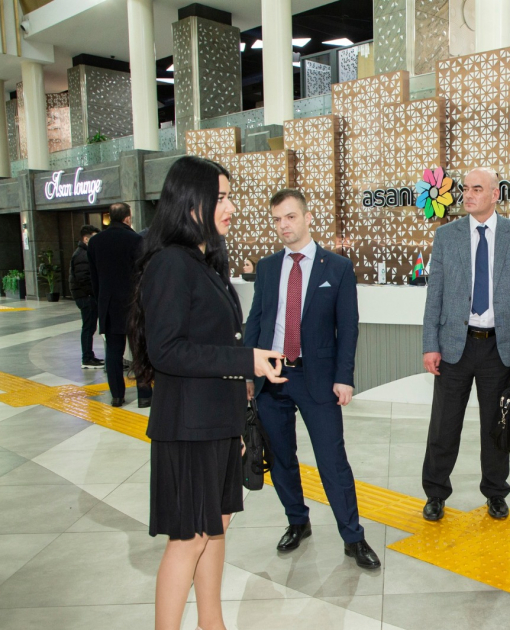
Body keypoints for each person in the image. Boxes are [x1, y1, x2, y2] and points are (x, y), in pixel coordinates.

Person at [128, 156, 285, 630]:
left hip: (214, 423)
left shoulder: (202, 262)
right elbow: (168, 351)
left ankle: (211, 623)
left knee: (216, 529)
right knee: (190, 537)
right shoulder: (171, 264)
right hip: (188, 427)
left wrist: (236, 421)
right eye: (220, 198)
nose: (231, 207)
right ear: (189, 201)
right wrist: (247, 361)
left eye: (230, 196)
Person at [244, 189, 380, 569]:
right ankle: (297, 521)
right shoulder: (268, 267)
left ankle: (353, 537)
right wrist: (248, 372)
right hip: (272, 376)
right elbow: (256, 319)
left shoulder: (335, 267)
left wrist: (344, 377)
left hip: (317, 378)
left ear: (306, 217)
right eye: (276, 219)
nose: (283, 225)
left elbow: (347, 328)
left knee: (332, 460)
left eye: (289, 217)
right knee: (281, 456)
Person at [420, 167, 510, 522]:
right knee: (444, 425)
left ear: (495, 194)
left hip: (498, 347)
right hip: (455, 344)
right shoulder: (447, 236)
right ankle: (436, 494)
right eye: (465, 189)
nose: (467, 195)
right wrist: (430, 344)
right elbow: (434, 294)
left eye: (476, 189)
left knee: (496, 426)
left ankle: (496, 493)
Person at [88, 202, 153, 408]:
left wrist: (101, 301)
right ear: (127, 218)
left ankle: (117, 395)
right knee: (138, 349)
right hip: (132, 302)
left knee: (113, 352)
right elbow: (143, 274)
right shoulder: (136, 240)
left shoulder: (96, 242)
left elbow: (94, 277)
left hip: (108, 304)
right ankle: (144, 394)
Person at [69, 224, 103, 369]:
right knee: (88, 328)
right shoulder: (82, 255)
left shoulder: (84, 253)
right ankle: (87, 357)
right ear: (86, 239)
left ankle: (89, 356)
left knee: (90, 327)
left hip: (86, 296)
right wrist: (94, 293)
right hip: (86, 297)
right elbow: (83, 278)